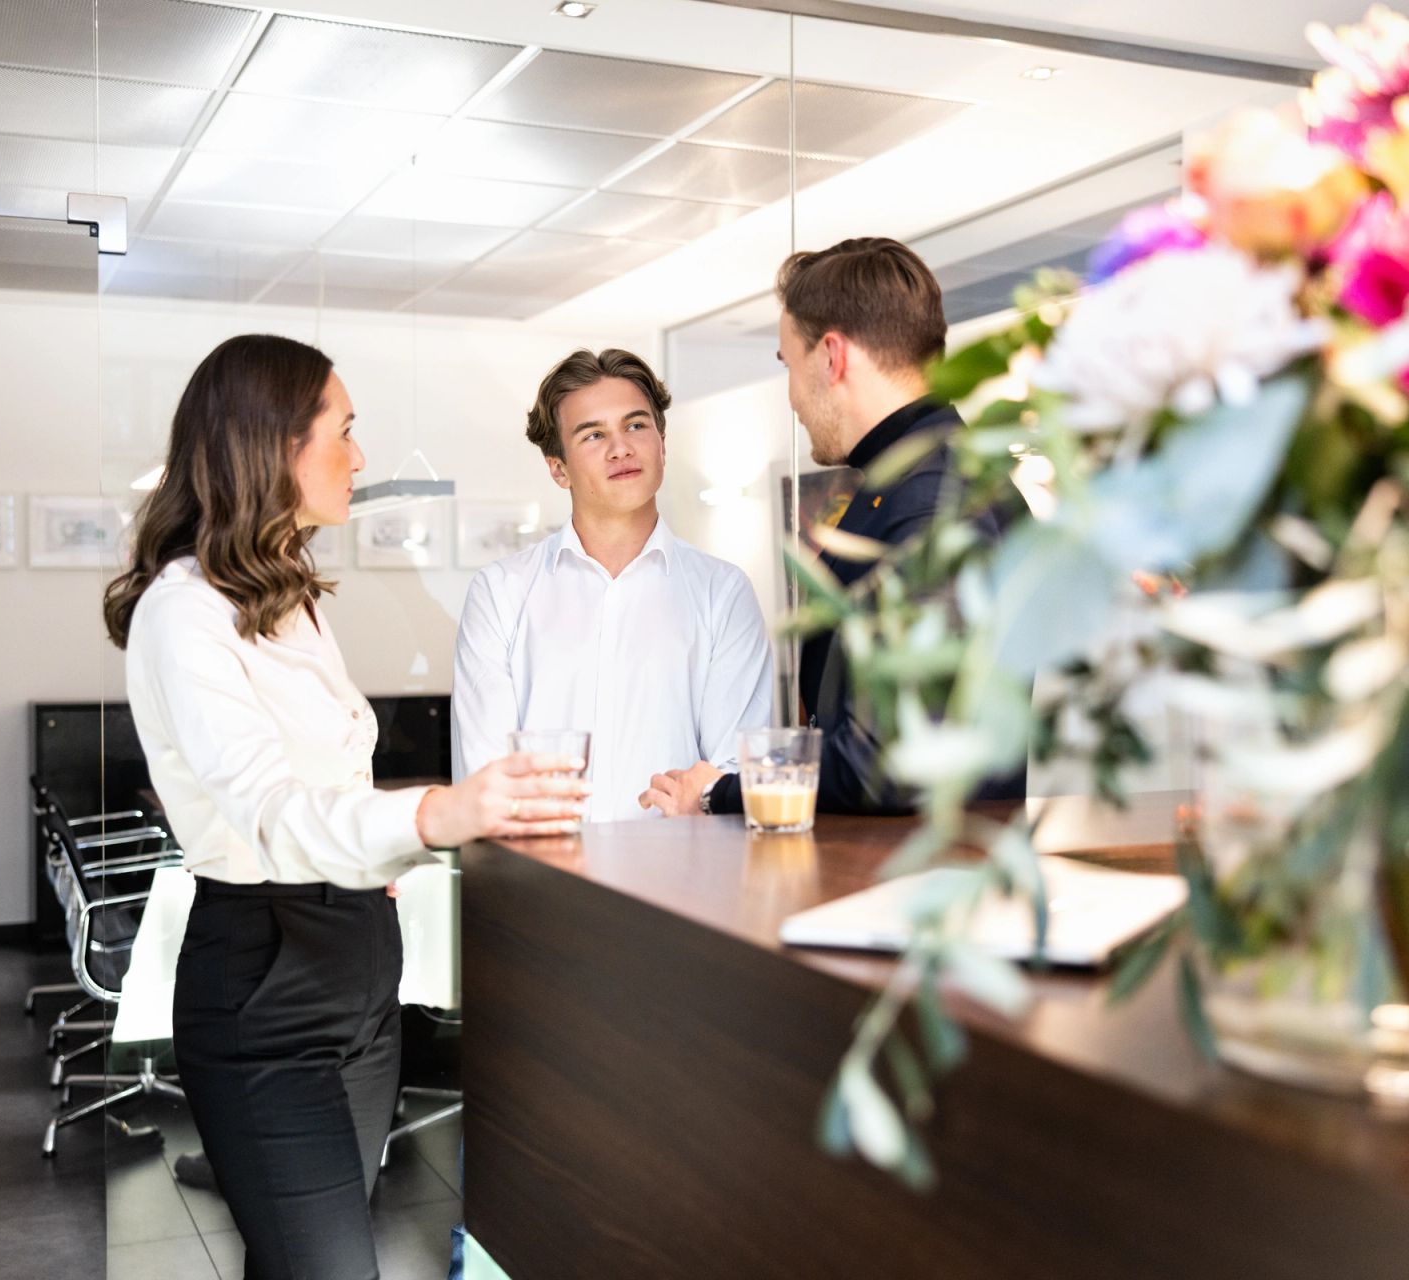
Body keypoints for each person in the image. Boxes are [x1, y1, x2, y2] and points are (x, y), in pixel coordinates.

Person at [104, 334, 590, 1280]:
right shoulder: (183, 611)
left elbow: (332, 782)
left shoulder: (287, 596)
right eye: (346, 430)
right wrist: (432, 818)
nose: (361, 458)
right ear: (271, 443)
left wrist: (379, 869)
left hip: (359, 963)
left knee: (300, 1259)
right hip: (264, 977)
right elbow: (271, 811)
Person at [641, 237, 1023, 818]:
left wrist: (721, 792)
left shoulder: (929, 499)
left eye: (789, 365)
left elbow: (895, 760)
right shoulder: (932, 478)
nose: (793, 397)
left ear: (832, 357)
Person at [452, 347, 774, 820]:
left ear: (662, 444)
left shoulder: (721, 592)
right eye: (593, 435)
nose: (620, 447)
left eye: (636, 425)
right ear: (558, 468)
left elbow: (727, 779)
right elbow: (486, 776)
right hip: (541, 878)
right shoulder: (500, 593)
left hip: (678, 879)